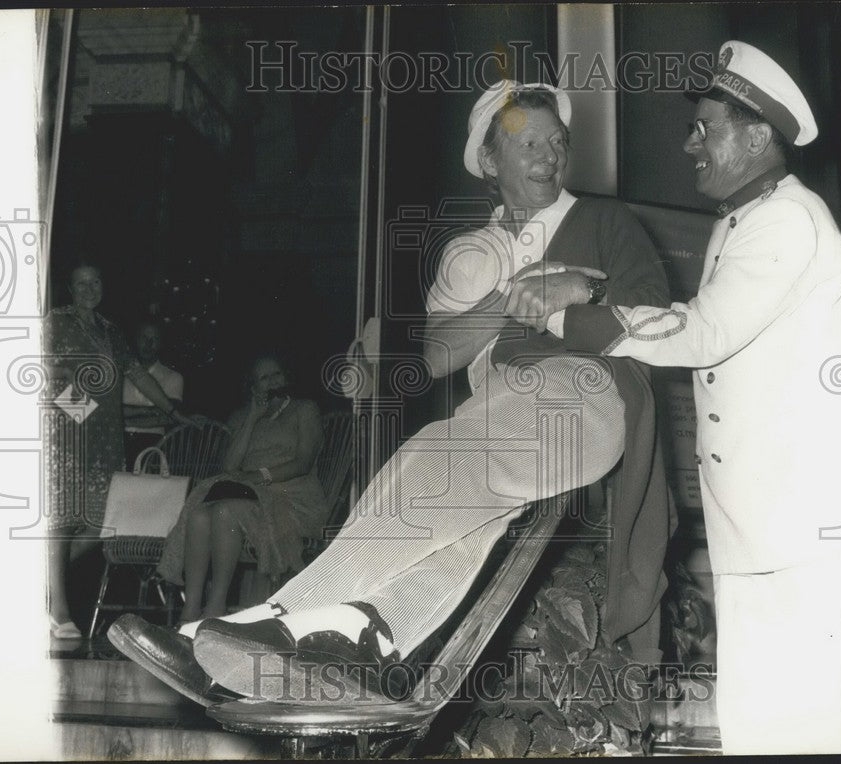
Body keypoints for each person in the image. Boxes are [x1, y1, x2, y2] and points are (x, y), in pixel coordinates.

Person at [108, 81, 675, 706]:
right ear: (489, 161)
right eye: (529, 143)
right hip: (501, 407)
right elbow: (435, 355)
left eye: (558, 142)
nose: (550, 155)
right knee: (457, 531)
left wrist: (584, 289)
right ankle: (361, 641)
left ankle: (279, 617)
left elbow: (661, 314)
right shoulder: (475, 253)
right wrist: (497, 302)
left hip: (581, 389)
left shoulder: (603, 219)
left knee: (442, 456)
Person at [528, 41, 841, 754]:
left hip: (806, 516)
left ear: (756, 138)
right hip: (766, 520)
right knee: (762, 719)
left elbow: (704, 332)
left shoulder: (790, 220)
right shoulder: (743, 218)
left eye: (705, 129)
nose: (689, 144)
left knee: (808, 723)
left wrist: (571, 314)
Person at [44, 263, 194, 639]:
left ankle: (36, 581)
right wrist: (82, 411)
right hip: (68, 436)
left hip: (106, 440)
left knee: (101, 522)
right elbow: (42, 370)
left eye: (95, 281)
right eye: (81, 283)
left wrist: (173, 412)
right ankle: (59, 610)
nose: (89, 288)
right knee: (63, 520)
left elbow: (137, 374)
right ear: (70, 288)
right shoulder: (56, 322)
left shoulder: (110, 330)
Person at [156, 355, 330, 621]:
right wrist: (252, 417)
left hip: (291, 496)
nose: (273, 382)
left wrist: (259, 476)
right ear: (253, 387)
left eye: (277, 375)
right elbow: (229, 466)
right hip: (248, 493)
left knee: (224, 512)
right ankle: (190, 610)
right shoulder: (242, 416)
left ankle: (215, 607)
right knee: (200, 514)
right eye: (264, 378)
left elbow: (303, 463)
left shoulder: (304, 409)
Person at [122, 320, 184, 469]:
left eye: (154, 339)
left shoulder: (173, 377)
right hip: (119, 440)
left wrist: (122, 418)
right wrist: (154, 411)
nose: (148, 344)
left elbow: (168, 417)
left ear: (161, 343)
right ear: (135, 339)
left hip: (153, 443)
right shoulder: (118, 373)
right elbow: (111, 409)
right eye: (144, 337)